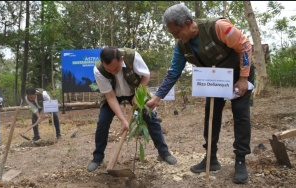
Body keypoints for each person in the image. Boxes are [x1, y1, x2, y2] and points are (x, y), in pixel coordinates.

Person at [145, 3, 255, 184]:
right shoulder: (181, 45)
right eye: (172, 33)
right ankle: (210, 158)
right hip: (215, 78)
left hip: (238, 74)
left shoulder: (219, 27)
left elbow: (244, 46)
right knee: (211, 116)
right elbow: (174, 72)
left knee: (241, 115)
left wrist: (243, 78)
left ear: (188, 23)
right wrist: (157, 97)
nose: (176, 37)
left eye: (177, 32)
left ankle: (240, 160)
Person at [87, 47, 177, 172]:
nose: (113, 73)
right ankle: (97, 158)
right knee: (102, 123)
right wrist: (123, 120)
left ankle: (164, 153)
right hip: (113, 94)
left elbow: (146, 76)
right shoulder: (99, 70)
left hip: (135, 89)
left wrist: (138, 93)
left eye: (116, 69)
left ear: (121, 60)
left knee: (150, 117)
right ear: (102, 63)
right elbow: (110, 96)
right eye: (109, 70)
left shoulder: (133, 57)